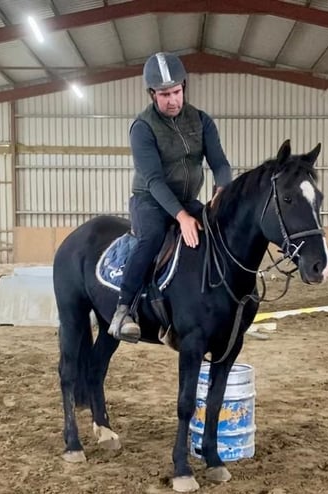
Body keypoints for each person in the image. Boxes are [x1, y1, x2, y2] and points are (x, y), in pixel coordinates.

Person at [109, 52, 233, 343]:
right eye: (164, 94)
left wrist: (222, 191)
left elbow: (220, 164)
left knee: (217, 231)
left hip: (188, 199)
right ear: (152, 94)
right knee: (151, 237)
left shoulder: (201, 121)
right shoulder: (142, 127)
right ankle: (124, 309)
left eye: (176, 91)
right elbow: (153, 180)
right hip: (150, 200)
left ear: (184, 87)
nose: (172, 100)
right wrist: (182, 218)